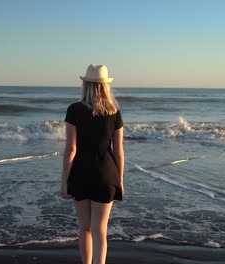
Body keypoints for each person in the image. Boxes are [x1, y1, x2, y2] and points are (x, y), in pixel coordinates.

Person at [61, 64, 125, 264]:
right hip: (106, 174)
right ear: (106, 85)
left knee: (85, 227)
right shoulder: (114, 112)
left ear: (85, 84)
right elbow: (119, 151)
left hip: (80, 173)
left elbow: (71, 149)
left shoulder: (74, 110)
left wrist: (64, 181)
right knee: (100, 230)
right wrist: (120, 181)